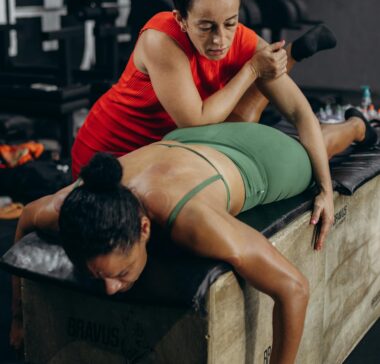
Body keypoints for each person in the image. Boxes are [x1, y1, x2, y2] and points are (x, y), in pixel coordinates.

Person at [11, 114, 378, 364]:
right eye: (97, 275)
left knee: (314, 153)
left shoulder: (190, 221)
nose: (109, 289)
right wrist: (19, 318)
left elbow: (294, 288)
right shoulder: (71, 205)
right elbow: (26, 218)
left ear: (144, 228)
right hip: (186, 141)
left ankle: (357, 125)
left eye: (121, 273)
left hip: (261, 159)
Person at [71, 0, 337, 178]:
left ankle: (354, 124)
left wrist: (325, 190)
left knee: (239, 126)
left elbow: (300, 113)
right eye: (206, 27)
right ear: (181, 19)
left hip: (166, 152)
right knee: (234, 134)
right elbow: (194, 122)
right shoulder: (161, 39)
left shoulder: (242, 38)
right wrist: (252, 70)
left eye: (230, 23)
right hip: (107, 156)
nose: (220, 39)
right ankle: (296, 57)